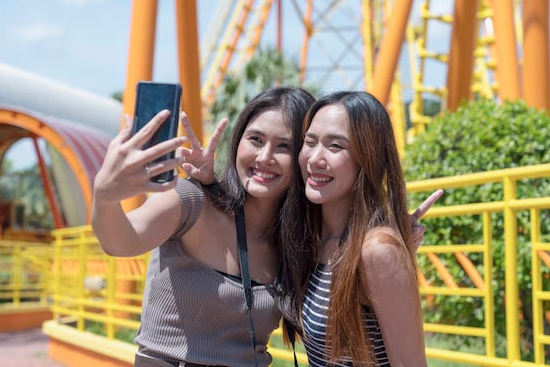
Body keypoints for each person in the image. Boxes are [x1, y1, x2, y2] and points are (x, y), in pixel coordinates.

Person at [91, 86, 317, 367]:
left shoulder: (297, 241)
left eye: (284, 146)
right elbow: (121, 242)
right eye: (256, 139)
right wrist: (105, 195)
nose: (264, 156)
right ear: (238, 142)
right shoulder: (193, 202)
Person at [295, 90, 432, 366]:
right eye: (309, 142)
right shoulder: (317, 239)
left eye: (335, 146)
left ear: (367, 158)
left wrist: (391, 252)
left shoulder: (377, 250)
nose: (314, 158)